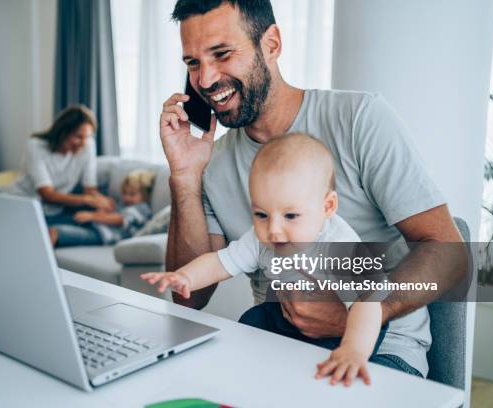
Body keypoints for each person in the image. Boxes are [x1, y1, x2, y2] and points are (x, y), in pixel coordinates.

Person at [160, 0, 467, 378]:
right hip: (278, 348)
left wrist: (360, 316)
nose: (205, 80)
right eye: (192, 62)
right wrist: (185, 177)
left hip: (381, 352)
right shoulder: (211, 162)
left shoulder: (360, 120)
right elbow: (187, 300)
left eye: (221, 54)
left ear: (271, 44)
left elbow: (450, 252)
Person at [144, 134, 387, 386]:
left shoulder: (342, 244)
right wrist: (186, 276)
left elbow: (369, 303)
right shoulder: (264, 238)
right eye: (261, 214)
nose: (274, 230)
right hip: (283, 313)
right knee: (252, 320)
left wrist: (353, 348)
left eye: (291, 215)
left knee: (337, 354)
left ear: (327, 207)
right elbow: (220, 262)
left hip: (351, 323)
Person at [11, 104, 115, 226]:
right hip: (27, 207)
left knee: (93, 222)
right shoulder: (35, 146)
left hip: (57, 210)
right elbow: (47, 194)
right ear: (63, 132)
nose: (83, 143)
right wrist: (87, 200)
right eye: (78, 136)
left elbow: (89, 189)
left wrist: (103, 201)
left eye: (87, 137)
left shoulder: (88, 145)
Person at [50, 169, 155, 247]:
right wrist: (104, 210)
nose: (127, 197)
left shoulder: (142, 208)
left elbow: (120, 220)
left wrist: (92, 216)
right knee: (52, 226)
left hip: (103, 235)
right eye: (124, 193)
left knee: (56, 231)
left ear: (145, 195)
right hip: (95, 228)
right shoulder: (123, 206)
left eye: (132, 194)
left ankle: (42, 262)